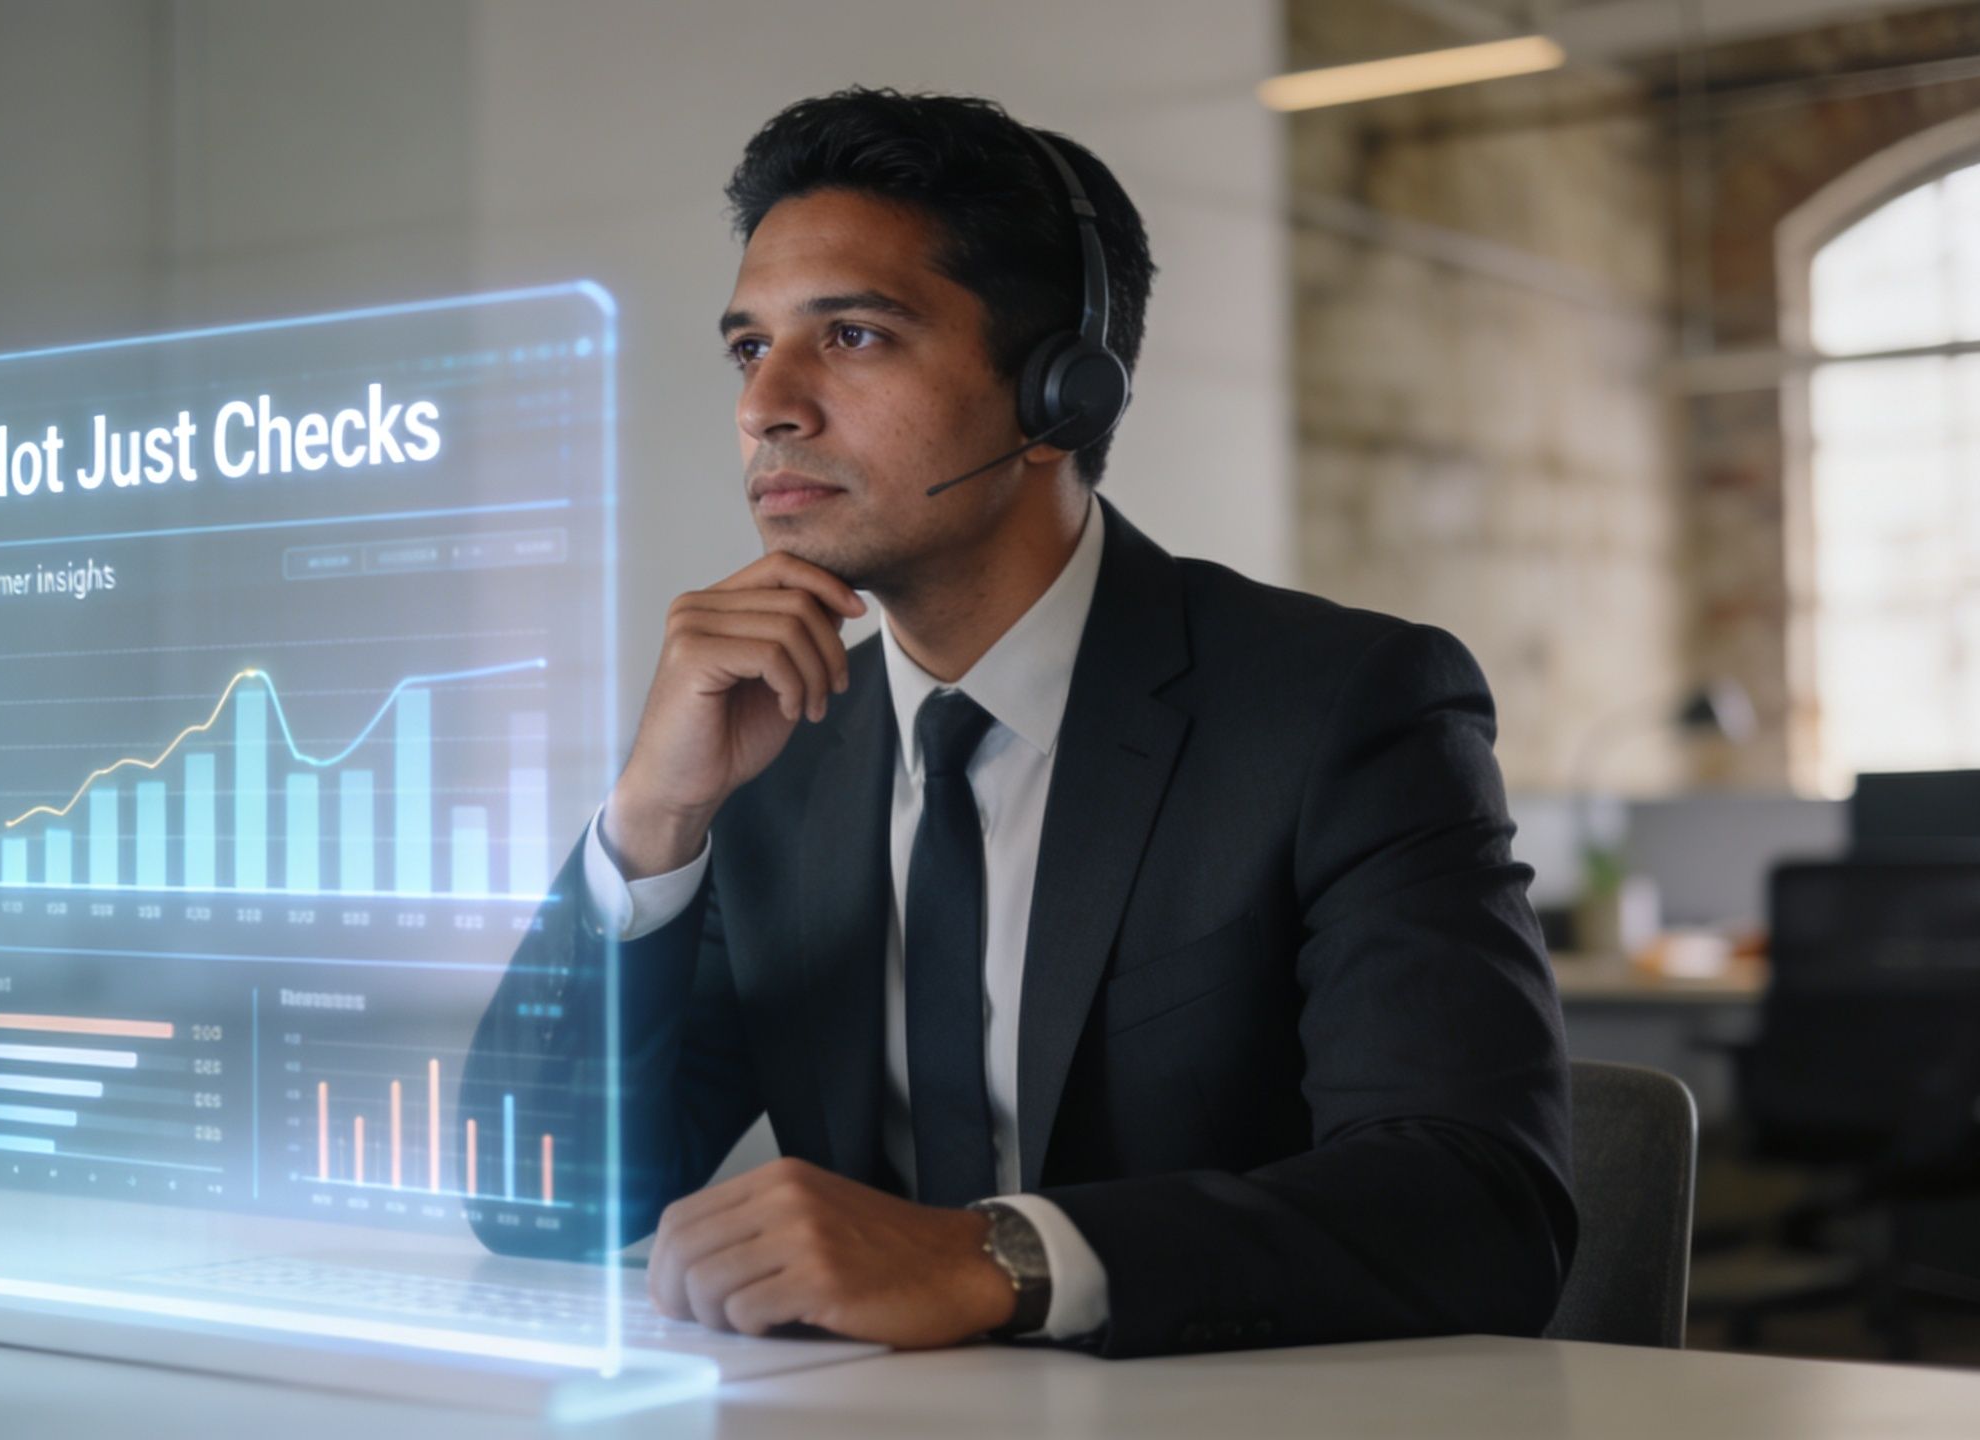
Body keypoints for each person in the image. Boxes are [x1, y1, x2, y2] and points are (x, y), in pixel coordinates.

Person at [463, 86, 1574, 1358]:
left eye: (855, 337)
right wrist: (650, 822)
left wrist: (999, 1257)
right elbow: (529, 1195)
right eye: (745, 348)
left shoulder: (1339, 708)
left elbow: (1478, 1208)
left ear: (1061, 396)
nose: (766, 401)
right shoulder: (768, 756)